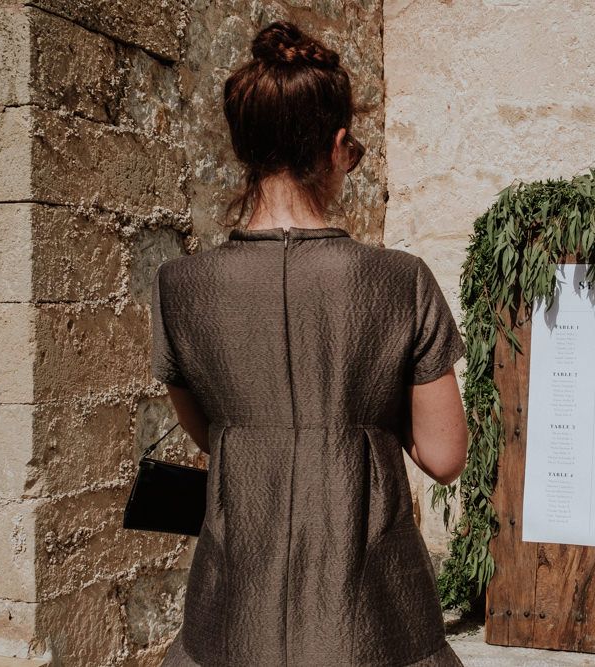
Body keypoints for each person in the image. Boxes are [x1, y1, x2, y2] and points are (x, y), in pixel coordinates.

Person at [154, 20, 468, 667]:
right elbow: (442, 455)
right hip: (372, 619)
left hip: (231, 613)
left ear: (245, 149)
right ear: (335, 146)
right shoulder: (400, 280)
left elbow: (212, 433)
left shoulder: (178, 287)